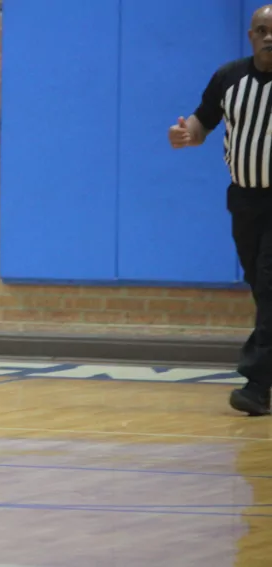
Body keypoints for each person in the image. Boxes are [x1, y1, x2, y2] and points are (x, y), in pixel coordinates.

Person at [169, 5, 272, 417]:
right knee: (260, 285)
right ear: (251, 36)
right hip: (244, 199)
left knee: (270, 284)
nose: (269, 37)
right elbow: (202, 123)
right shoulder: (229, 77)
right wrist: (184, 134)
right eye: (262, 30)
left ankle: (256, 385)